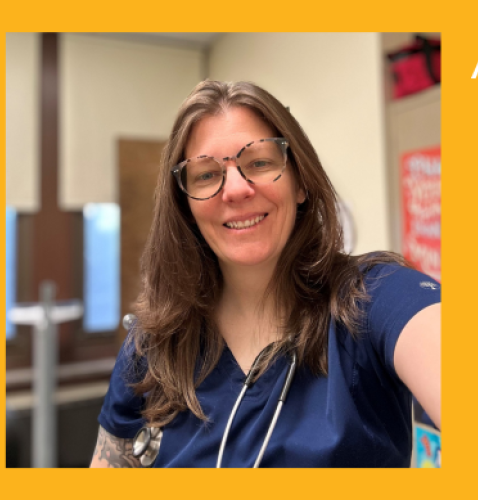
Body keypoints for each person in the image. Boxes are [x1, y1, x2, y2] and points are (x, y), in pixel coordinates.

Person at [90, 81, 441, 468]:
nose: (236, 190)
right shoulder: (151, 347)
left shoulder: (376, 297)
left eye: (259, 163)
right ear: (186, 205)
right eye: (206, 175)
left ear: (301, 182)